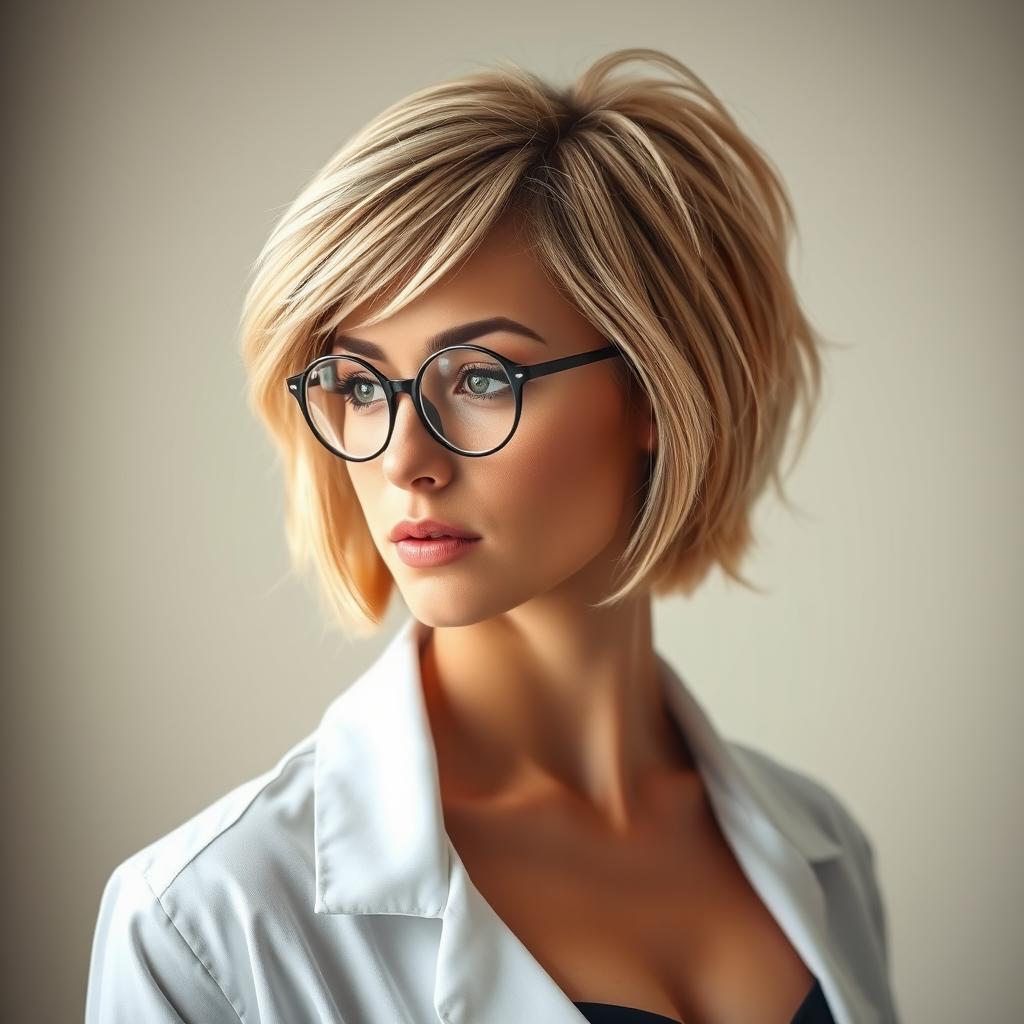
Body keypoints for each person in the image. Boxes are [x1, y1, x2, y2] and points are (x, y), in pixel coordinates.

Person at [85, 47, 899, 1023]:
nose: (401, 462)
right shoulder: (204, 926)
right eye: (356, 385)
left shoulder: (824, 846)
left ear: (655, 385)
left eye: (477, 378)